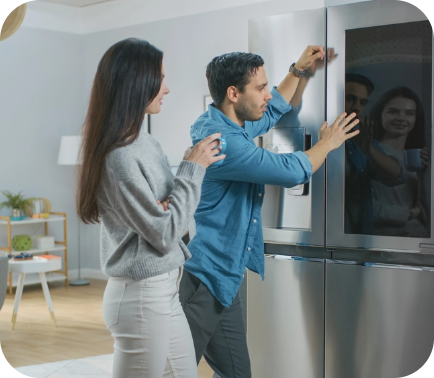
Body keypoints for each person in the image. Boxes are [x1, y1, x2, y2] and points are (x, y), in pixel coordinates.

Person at [178, 46, 360, 378]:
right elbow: (290, 170)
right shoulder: (223, 142)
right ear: (234, 93)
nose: (266, 93)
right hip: (203, 279)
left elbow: (273, 108)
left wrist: (299, 70)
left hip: (225, 278)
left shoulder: (227, 121)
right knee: (172, 370)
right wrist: (328, 143)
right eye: (259, 87)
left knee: (237, 373)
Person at [75, 38, 226, 378]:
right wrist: (192, 169)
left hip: (165, 289)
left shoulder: (146, 144)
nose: (167, 88)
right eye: (160, 77)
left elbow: (177, 222)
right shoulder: (120, 158)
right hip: (142, 295)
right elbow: (165, 232)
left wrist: (169, 211)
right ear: (136, 82)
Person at [369, 86, 430, 237]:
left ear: (416, 118)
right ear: (380, 114)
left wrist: (428, 175)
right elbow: (365, 207)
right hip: (384, 240)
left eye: (409, 113)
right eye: (393, 111)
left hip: (420, 241)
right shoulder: (369, 152)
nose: (401, 118)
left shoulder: (422, 156)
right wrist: (410, 213)